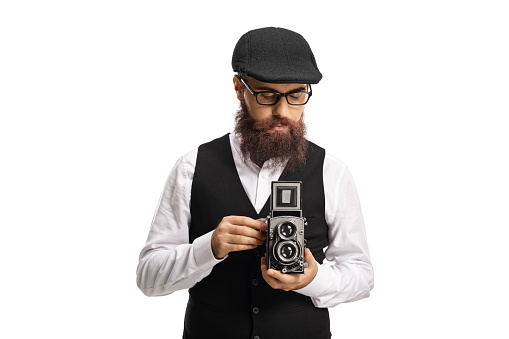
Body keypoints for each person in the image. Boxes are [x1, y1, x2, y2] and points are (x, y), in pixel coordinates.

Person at [136, 27, 374, 339]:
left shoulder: (332, 171)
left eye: (297, 95)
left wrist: (313, 279)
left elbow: (362, 276)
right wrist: (208, 248)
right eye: (267, 95)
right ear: (239, 87)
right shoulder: (191, 168)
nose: (283, 112)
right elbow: (148, 277)